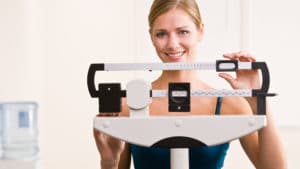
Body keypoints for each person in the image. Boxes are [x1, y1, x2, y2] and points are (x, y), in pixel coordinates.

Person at [93, 0, 287, 169]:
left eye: (183, 32)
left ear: (200, 31)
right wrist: (109, 162)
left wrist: (257, 98)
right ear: (151, 36)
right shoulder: (129, 104)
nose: (172, 44)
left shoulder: (228, 104)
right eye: (162, 34)